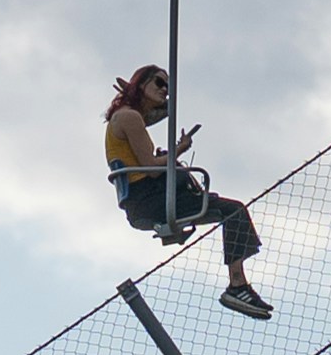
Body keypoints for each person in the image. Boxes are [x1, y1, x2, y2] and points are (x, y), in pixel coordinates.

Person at [104, 65, 272, 318]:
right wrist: (179, 150)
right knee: (233, 210)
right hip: (150, 198)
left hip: (145, 199)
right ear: (142, 84)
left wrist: (146, 95)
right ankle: (237, 285)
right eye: (159, 83)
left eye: (168, 87)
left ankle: (239, 285)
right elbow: (150, 167)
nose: (165, 91)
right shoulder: (129, 117)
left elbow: (159, 115)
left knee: (228, 209)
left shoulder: (127, 116)